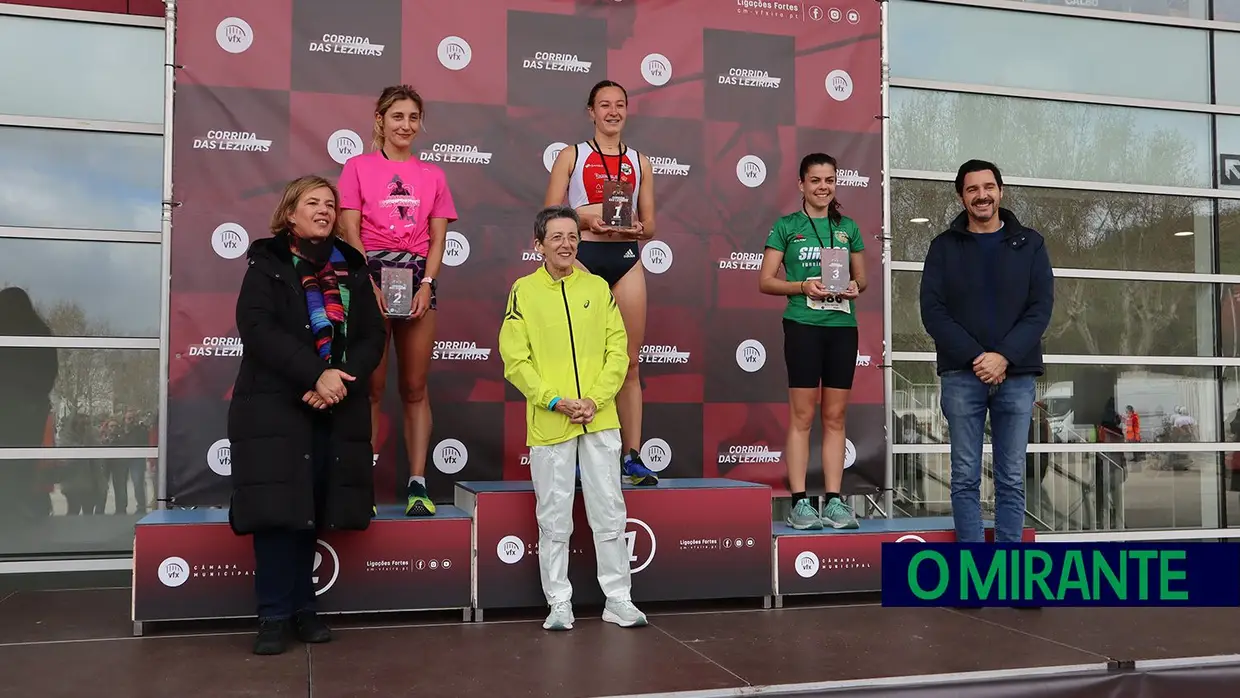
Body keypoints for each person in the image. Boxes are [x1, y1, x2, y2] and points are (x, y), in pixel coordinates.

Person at [228, 175, 387, 655]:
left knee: (313, 511)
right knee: (279, 513)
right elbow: (257, 329)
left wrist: (337, 379)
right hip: (275, 409)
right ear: (289, 213)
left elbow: (371, 338)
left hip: (333, 408)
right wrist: (315, 375)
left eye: (330, 204)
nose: (324, 210)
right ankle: (272, 617)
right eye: (312, 202)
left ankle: (305, 611)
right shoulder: (267, 263)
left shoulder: (354, 267)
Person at [498, 205, 648, 631]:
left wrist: (595, 400)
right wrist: (555, 400)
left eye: (571, 237)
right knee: (554, 515)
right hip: (550, 421)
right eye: (556, 238)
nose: (566, 245)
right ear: (539, 245)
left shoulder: (598, 288)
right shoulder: (523, 291)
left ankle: (618, 599)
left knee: (609, 511)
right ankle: (558, 601)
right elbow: (515, 359)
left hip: (599, 419)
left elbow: (618, 351)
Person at [338, 84, 458, 516]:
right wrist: (366, 281)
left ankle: (418, 483)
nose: (405, 125)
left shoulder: (434, 176)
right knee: (370, 387)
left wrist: (427, 283)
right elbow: (349, 230)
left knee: (413, 387)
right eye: (397, 117)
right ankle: (361, 485)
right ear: (380, 121)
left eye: (412, 118)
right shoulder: (357, 167)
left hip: (417, 277)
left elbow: (440, 237)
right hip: (370, 273)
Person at [919, 159, 1053, 544]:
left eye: (988, 187)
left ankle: (1011, 575)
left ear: (1000, 191)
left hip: (1017, 375)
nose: (982, 195)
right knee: (964, 477)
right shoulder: (943, 248)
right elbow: (933, 311)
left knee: (1012, 477)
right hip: (963, 376)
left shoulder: (1030, 244)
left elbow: (1040, 308)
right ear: (961, 196)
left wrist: (1004, 357)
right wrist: (979, 358)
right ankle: (974, 573)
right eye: (973, 189)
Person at [543, 79, 659, 487]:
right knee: (581, 361)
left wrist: (637, 227)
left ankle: (632, 455)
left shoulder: (641, 161)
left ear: (627, 111)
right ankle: (577, 454)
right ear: (590, 111)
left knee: (629, 362)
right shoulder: (572, 155)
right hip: (584, 257)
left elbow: (651, 225)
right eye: (604, 105)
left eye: (620, 105)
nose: (612, 111)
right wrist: (587, 219)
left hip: (625, 257)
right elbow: (551, 216)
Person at [759, 153, 866, 530]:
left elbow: (862, 279)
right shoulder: (787, 226)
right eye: (816, 180)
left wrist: (854, 286)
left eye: (830, 180)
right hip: (803, 325)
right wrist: (801, 286)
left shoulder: (847, 227)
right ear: (801, 184)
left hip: (842, 327)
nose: (823, 187)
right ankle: (801, 502)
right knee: (803, 416)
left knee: (835, 417)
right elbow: (766, 280)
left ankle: (835, 501)